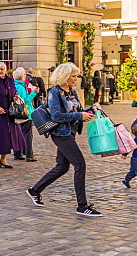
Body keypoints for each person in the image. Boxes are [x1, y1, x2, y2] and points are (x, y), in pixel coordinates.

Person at [25, 62, 102, 217]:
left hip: (70, 132)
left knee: (62, 167)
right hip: (61, 134)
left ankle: (34, 190)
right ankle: (82, 205)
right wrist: (79, 115)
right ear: (65, 77)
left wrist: (91, 110)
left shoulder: (72, 92)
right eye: (73, 76)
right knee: (80, 164)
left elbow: (77, 111)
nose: (76, 79)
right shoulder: (55, 92)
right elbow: (56, 116)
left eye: (76, 76)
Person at [13, 67, 37, 162]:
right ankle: (29, 154)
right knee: (27, 135)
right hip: (25, 113)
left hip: (17, 113)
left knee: (18, 134)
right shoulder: (21, 87)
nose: (25, 77)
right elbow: (25, 100)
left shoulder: (15, 85)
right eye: (24, 75)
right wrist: (34, 93)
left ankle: (17, 153)